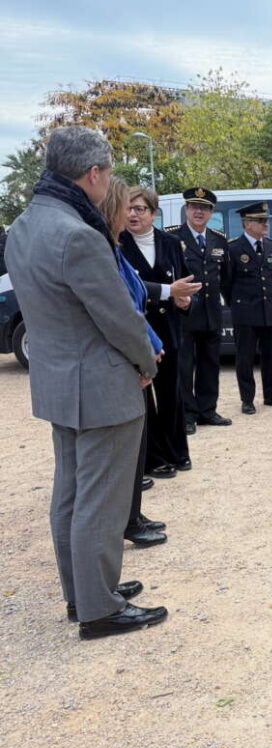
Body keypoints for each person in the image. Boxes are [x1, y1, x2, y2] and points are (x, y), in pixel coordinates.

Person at [4, 126, 168, 639]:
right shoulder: (79, 233)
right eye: (109, 174)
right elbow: (119, 318)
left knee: (71, 495)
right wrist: (148, 362)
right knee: (102, 499)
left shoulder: (25, 225)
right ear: (94, 174)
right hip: (100, 385)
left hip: (57, 381)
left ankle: (86, 593)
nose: (109, 184)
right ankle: (99, 609)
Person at [99, 176, 168, 548]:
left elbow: (136, 294)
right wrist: (146, 355)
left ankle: (132, 515)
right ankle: (126, 521)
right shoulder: (101, 246)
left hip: (137, 353)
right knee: (123, 454)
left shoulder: (113, 245)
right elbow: (123, 309)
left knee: (136, 448)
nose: (132, 213)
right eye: (127, 206)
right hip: (124, 363)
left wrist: (152, 343)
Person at [120, 186, 200, 480]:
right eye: (128, 208)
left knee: (171, 394)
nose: (132, 214)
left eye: (139, 209)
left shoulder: (170, 242)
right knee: (143, 397)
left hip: (168, 329)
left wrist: (185, 301)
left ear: (153, 213)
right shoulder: (117, 243)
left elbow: (185, 284)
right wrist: (169, 292)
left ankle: (177, 451)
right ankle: (152, 459)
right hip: (137, 330)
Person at [166, 187, 231, 434]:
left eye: (204, 208)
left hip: (211, 312)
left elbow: (224, 276)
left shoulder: (219, 239)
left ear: (211, 212)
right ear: (186, 209)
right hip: (184, 313)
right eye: (194, 206)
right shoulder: (172, 238)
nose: (199, 212)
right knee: (184, 365)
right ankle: (187, 414)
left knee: (210, 363)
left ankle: (207, 410)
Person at [224, 201, 272, 414]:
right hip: (245, 312)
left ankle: (271, 395)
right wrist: (238, 304)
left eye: (266, 220)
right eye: (261, 221)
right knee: (245, 357)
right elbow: (227, 283)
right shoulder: (233, 248)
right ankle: (247, 399)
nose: (265, 225)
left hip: (268, 310)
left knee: (271, 356)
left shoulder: (271, 246)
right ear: (247, 224)